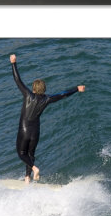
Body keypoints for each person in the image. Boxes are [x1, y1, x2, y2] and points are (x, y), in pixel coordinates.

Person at [10, 54, 85, 183]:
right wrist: (76, 89)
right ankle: (27, 178)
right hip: (36, 132)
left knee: (22, 154)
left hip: (24, 130)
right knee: (31, 154)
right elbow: (62, 94)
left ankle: (34, 169)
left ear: (33, 88)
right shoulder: (47, 99)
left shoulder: (28, 95)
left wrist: (13, 63)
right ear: (44, 90)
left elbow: (18, 80)